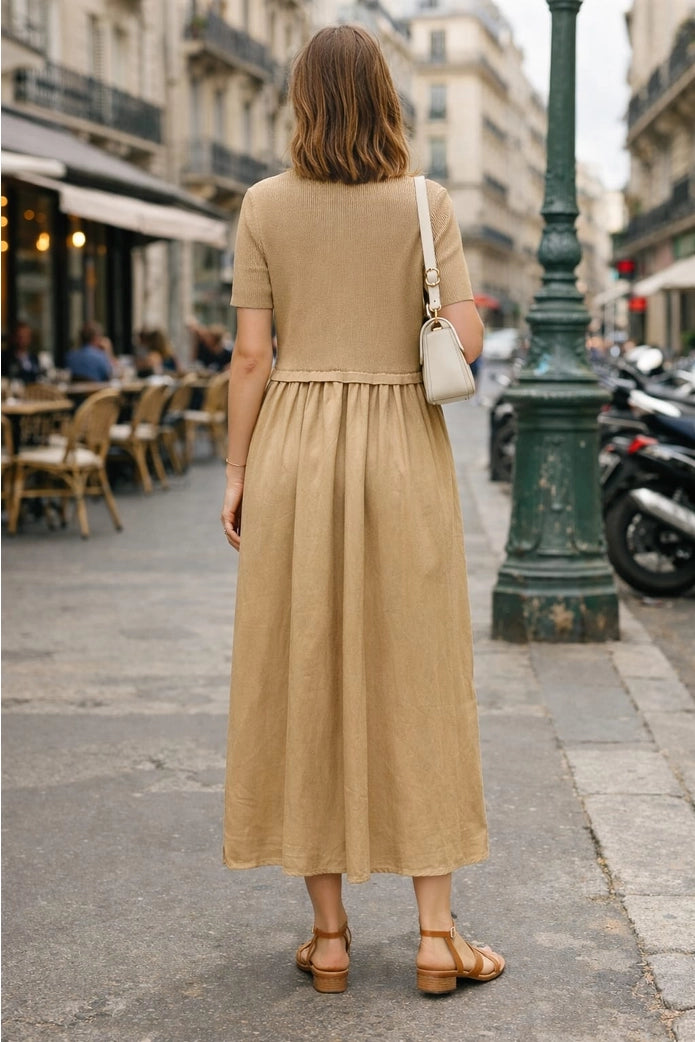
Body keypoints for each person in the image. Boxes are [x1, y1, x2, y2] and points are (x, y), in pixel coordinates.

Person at [220, 25, 504, 997]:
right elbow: (460, 335)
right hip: (398, 455)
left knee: (302, 673)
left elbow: (250, 356)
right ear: (388, 99)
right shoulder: (425, 204)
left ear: (301, 101)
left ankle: (330, 937)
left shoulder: (260, 206)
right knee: (418, 675)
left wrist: (235, 473)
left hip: (295, 448)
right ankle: (434, 937)